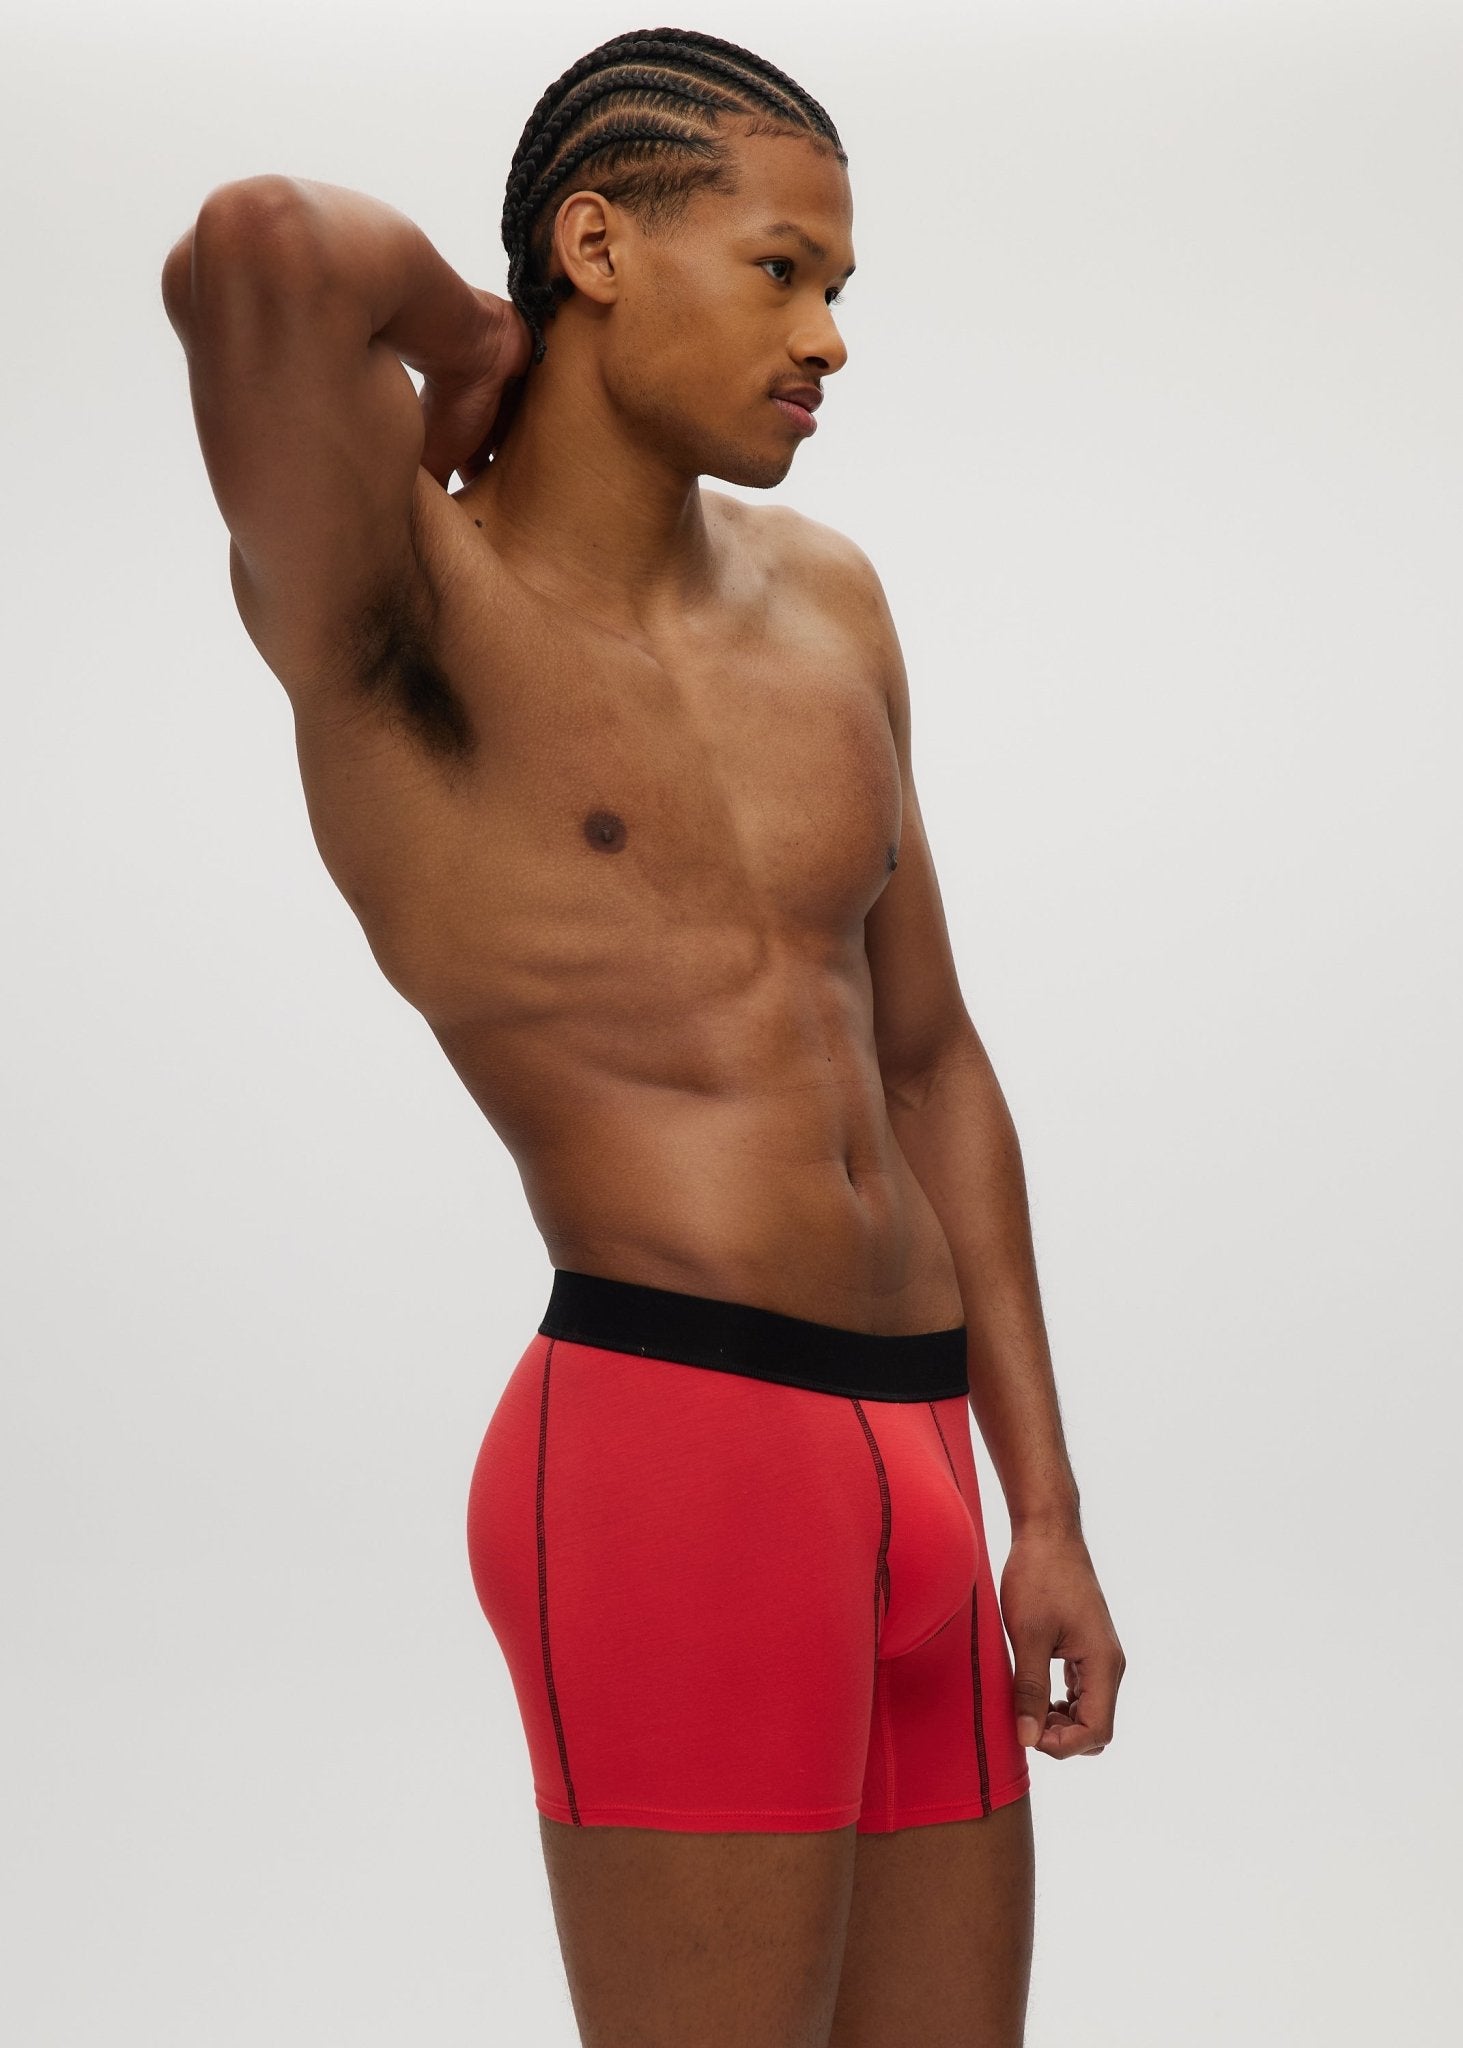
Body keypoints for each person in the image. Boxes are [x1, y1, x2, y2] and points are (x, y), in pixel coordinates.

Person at [162, 25, 1124, 2047]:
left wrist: (1040, 1504)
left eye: (837, 285)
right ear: (595, 249)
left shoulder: (832, 603)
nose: (830, 338)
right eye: (783, 271)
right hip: (681, 1452)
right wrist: (466, 342)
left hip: (922, 1456)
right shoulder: (402, 605)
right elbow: (257, 248)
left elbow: (931, 1059)